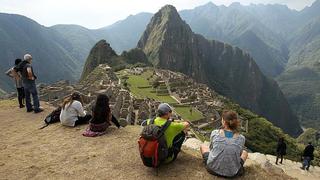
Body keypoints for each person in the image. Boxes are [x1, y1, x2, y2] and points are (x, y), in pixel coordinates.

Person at [200, 110, 248, 178]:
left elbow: (211, 149)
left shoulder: (215, 133)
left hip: (212, 169)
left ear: (224, 122)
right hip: (232, 173)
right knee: (245, 153)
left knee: (203, 146)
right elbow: (239, 154)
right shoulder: (241, 138)